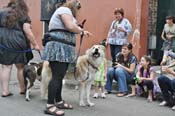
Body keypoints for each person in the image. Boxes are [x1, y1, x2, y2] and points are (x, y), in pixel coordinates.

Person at [42, 0, 92, 115]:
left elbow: (71, 26)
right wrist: (81, 31)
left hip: (63, 48)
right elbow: (70, 26)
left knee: (60, 76)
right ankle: (50, 105)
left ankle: (59, 101)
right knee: (56, 76)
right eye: (78, 9)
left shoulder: (67, 12)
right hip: (58, 47)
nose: (78, 12)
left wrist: (79, 29)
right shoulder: (64, 10)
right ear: (74, 6)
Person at [0, 0, 40, 97]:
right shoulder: (23, 14)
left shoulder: (2, 12)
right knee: (20, 67)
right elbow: (27, 31)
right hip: (18, 41)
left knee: (6, 66)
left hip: (3, 40)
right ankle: (22, 89)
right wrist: (35, 45)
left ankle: (5, 91)